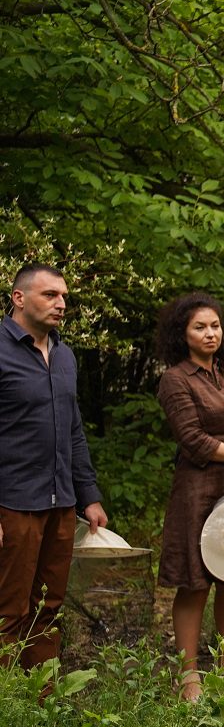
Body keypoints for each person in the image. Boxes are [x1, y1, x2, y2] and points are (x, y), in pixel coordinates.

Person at [155, 293, 224, 700]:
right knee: (195, 582)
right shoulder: (175, 379)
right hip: (198, 488)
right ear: (183, 334)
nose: (210, 333)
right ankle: (189, 677)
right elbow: (193, 441)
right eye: (200, 327)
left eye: (215, 326)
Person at [0, 264, 108, 674]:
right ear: (19, 297)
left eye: (64, 296)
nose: (62, 304)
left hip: (61, 502)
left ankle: (39, 701)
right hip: (13, 502)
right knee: (8, 608)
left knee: (49, 607)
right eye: (50, 295)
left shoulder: (64, 356)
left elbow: (73, 429)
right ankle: (7, 706)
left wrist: (90, 495)